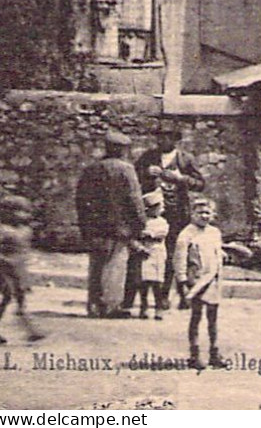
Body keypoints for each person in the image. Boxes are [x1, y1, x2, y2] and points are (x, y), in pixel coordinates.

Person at [75, 130, 147, 318]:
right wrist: (140, 224)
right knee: (115, 266)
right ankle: (111, 305)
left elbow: (80, 199)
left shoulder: (91, 169)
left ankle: (93, 304)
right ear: (122, 150)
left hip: (94, 227)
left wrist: (84, 225)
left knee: (96, 266)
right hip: (118, 228)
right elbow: (134, 199)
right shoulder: (126, 169)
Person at [134, 125, 204, 309]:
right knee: (151, 252)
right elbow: (134, 177)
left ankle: (165, 295)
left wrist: (181, 179)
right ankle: (145, 296)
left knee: (174, 253)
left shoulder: (185, 159)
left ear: (175, 140)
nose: (161, 141)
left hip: (177, 214)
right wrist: (146, 174)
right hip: (153, 213)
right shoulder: (148, 157)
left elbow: (200, 183)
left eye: (166, 137)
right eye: (159, 137)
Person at [174, 197, 226, 369]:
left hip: (213, 280)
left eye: (207, 212)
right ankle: (194, 354)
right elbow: (179, 259)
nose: (204, 216)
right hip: (195, 281)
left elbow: (217, 253)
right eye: (200, 212)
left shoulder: (214, 233)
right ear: (192, 214)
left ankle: (214, 352)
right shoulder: (186, 234)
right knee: (196, 317)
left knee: (213, 317)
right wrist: (182, 281)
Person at [0, 195, 44, 346]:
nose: (25, 215)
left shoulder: (26, 230)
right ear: (8, 213)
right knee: (12, 299)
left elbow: (24, 250)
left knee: (11, 300)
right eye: (20, 211)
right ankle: (31, 330)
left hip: (20, 270)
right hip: (8, 270)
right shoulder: (3, 231)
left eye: (26, 212)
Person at [132, 190, 171, 320]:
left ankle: (158, 308)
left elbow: (161, 233)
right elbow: (137, 235)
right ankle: (144, 306)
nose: (162, 209)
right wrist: (140, 247)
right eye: (159, 207)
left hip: (158, 252)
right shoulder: (142, 222)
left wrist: (150, 234)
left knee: (157, 283)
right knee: (144, 282)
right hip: (145, 253)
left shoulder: (163, 222)